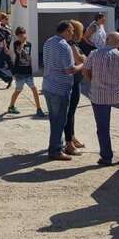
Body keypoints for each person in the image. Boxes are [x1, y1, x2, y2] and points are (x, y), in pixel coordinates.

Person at [83, 32, 119, 166]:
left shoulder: (94, 54)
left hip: (98, 97)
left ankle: (106, 158)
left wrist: (93, 81)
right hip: (117, 96)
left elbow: (85, 71)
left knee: (102, 128)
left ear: (106, 40)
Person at [42, 21, 84, 161]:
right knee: (59, 121)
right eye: (71, 30)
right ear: (66, 30)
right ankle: (55, 151)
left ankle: (56, 147)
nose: (73, 33)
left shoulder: (49, 41)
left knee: (55, 120)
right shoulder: (64, 46)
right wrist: (83, 65)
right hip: (60, 88)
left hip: (48, 85)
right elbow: (70, 70)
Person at [7, 26, 45, 117]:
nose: (22, 36)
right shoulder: (16, 43)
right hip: (19, 72)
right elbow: (19, 52)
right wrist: (22, 43)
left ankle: (39, 108)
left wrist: (30, 65)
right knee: (18, 90)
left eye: (23, 34)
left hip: (28, 71)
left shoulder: (29, 44)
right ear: (17, 36)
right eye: (20, 35)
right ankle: (11, 106)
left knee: (34, 89)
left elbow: (28, 56)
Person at [64, 20, 87, 156]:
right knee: (69, 113)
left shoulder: (72, 45)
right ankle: (69, 143)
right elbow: (81, 60)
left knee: (71, 113)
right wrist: (84, 59)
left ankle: (71, 137)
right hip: (72, 83)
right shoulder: (71, 45)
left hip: (75, 82)